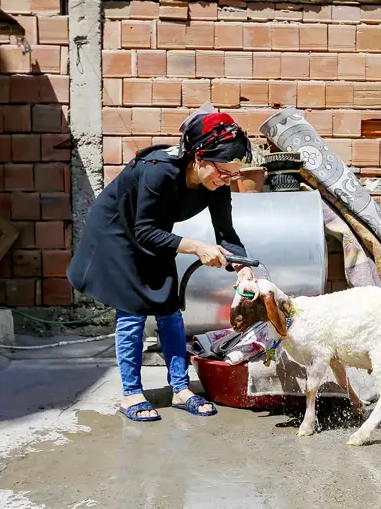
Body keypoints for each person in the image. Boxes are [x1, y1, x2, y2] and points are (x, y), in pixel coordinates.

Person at [67, 111, 255, 421]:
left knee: (168, 307)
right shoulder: (159, 170)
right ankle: (131, 395)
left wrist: (243, 268)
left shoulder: (218, 186)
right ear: (199, 157)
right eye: (224, 171)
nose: (228, 179)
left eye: (234, 173)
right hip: (118, 233)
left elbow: (226, 235)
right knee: (133, 309)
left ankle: (180, 389)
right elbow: (142, 230)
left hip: (156, 231)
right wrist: (195, 246)